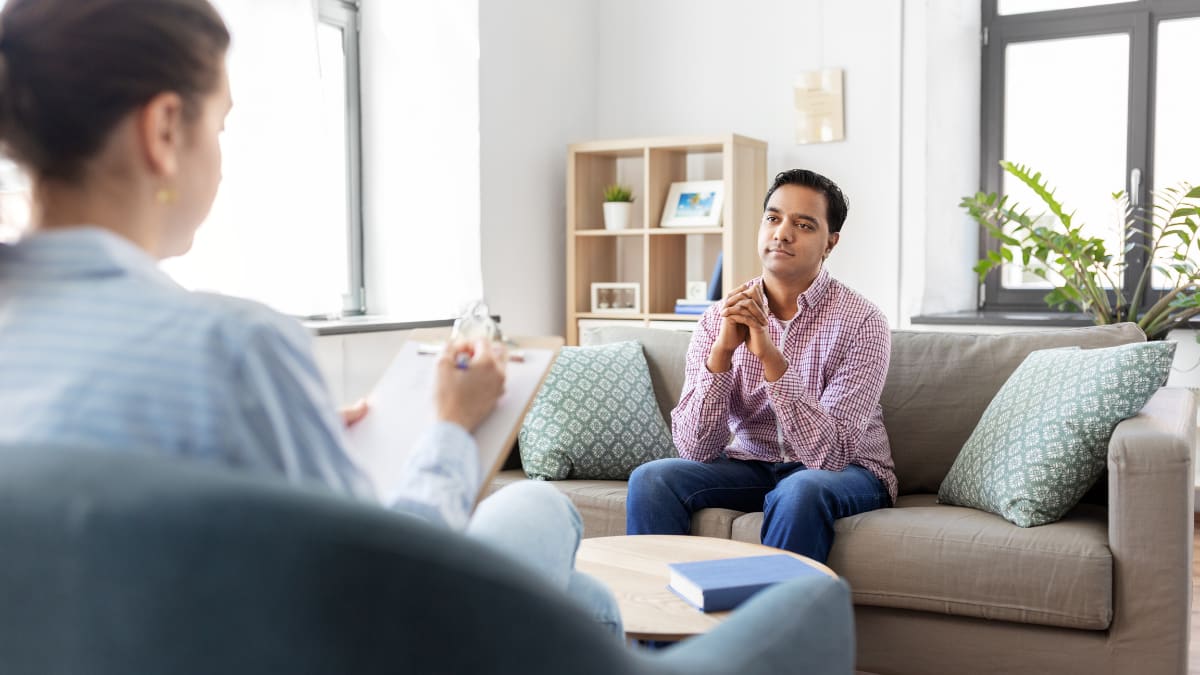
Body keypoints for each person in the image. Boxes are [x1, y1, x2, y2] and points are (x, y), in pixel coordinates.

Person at [0, 0, 619, 637]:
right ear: (161, 131)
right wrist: (453, 428)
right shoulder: (230, 350)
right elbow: (384, 598)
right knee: (540, 508)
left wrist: (290, 427)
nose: (221, 161)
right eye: (219, 127)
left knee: (579, 592)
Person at [626, 169, 896, 563]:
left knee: (801, 489)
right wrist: (721, 353)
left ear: (830, 243)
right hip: (752, 464)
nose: (782, 233)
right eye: (773, 218)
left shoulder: (863, 322)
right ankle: (659, 613)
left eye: (803, 225)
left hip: (849, 472)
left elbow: (831, 455)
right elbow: (695, 447)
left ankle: (769, 623)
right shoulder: (718, 317)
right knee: (652, 479)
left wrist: (770, 357)